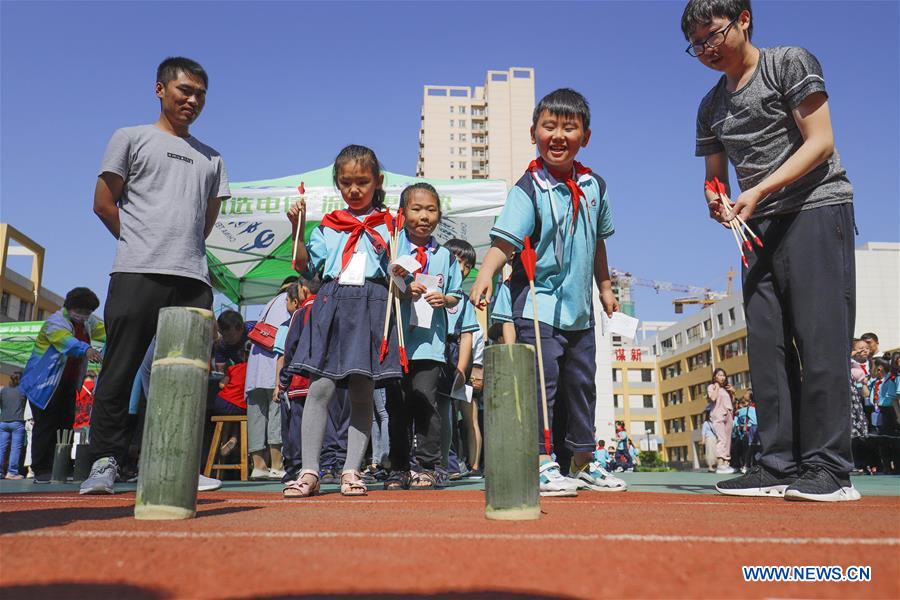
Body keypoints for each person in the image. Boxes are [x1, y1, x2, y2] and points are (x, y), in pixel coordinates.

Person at [683, 0, 860, 501]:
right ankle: (777, 463)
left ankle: (830, 469)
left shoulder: (788, 63)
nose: (706, 49)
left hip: (815, 207)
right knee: (766, 345)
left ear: (743, 19)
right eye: (695, 45)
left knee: (820, 338)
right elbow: (715, 176)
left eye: (713, 35)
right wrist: (716, 199)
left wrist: (759, 189)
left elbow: (821, 142)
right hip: (756, 224)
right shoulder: (710, 106)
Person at [81, 57, 231, 495]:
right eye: (185, 90)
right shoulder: (130, 138)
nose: (193, 100)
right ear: (160, 89)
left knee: (185, 376)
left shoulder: (213, 158)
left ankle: (175, 463)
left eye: (200, 94)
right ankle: (105, 461)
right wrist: (140, 242)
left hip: (192, 278)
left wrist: (178, 249)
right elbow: (103, 204)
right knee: (120, 368)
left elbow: (205, 223)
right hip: (136, 271)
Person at [470, 88, 626, 496]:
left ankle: (583, 461)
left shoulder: (595, 186)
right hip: (536, 305)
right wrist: (485, 274)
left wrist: (605, 288)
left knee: (582, 386)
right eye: (549, 126)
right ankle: (540, 461)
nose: (558, 136)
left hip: (580, 310)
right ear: (533, 133)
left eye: (569, 128)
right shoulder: (529, 187)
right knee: (543, 385)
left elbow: (598, 242)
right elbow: (505, 242)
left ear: (585, 137)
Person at [284, 144, 402, 498]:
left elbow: (402, 270)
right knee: (320, 388)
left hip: (372, 305)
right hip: (333, 303)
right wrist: (297, 228)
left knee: (363, 391)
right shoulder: (329, 225)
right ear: (337, 182)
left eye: (362, 182)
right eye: (346, 182)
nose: (354, 189)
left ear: (377, 181)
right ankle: (309, 470)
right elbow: (306, 267)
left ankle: (352, 469)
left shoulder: (391, 224)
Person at [385, 183, 463, 490]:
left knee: (427, 403)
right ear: (403, 213)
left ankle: (429, 466)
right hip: (398, 343)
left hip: (431, 345)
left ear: (439, 215)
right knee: (397, 407)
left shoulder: (446, 256)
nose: (424, 216)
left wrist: (445, 299)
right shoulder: (393, 249)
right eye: (416, 209)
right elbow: (381, 287)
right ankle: (399, 467)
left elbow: (457, 294)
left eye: (431, 210)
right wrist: (403, 289)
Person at [20, 288, 105, 484]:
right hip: (43, 384)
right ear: (69, 307)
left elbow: (106, 330)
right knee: (46, 425)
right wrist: (87, 349)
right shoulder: (55, 322)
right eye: (80, 311)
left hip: (67, 384)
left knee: (65, 425)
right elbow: (65, 342)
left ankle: (60, 466)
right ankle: (41, 469)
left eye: (88, 312)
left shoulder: (88, 322)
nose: (83, 315)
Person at [245, 282, 294, 480]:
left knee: (256, 416)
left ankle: (258, 466)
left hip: (254, 368)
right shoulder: (287, 302)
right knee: (275, 415)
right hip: (273, 365)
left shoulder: (269, 303)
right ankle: (276, 465)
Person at [442, 239, 483, 479]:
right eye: (458, 262)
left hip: (455, 356)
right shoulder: (432, 290)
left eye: (468, 266)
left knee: (452, 413)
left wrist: (463, 368)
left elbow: (468, 335)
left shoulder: (464, 302)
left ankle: (453, 463)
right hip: (432, 352)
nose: (463, 269)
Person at [707, 368, 735, 474]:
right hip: (718, 415)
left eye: (723, 375)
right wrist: (717, 387)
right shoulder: (712, 387)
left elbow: (731, 402)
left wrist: (732, 393)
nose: (722, 377)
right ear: (715, 377)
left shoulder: (725, 389)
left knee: (727, 440)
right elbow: (713, 398)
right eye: (719, 375)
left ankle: (726, 463)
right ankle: (720, 464)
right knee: (722, 439)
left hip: (728, 414)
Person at [1, 372, 28, 480]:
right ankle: (12, 472)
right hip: (18, 421)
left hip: (3, 421)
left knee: (1, 447)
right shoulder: (23, 391)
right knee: (15, 448)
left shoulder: (4, 390)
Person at [701, 407, 718, 472]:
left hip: (714, 438)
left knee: (714, 452)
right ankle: (710, 466)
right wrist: (703, 440)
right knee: (710, 452)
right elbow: (703, 432)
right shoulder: (706, 423)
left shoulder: (714, 422)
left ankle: (714, 466)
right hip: (709, 438)